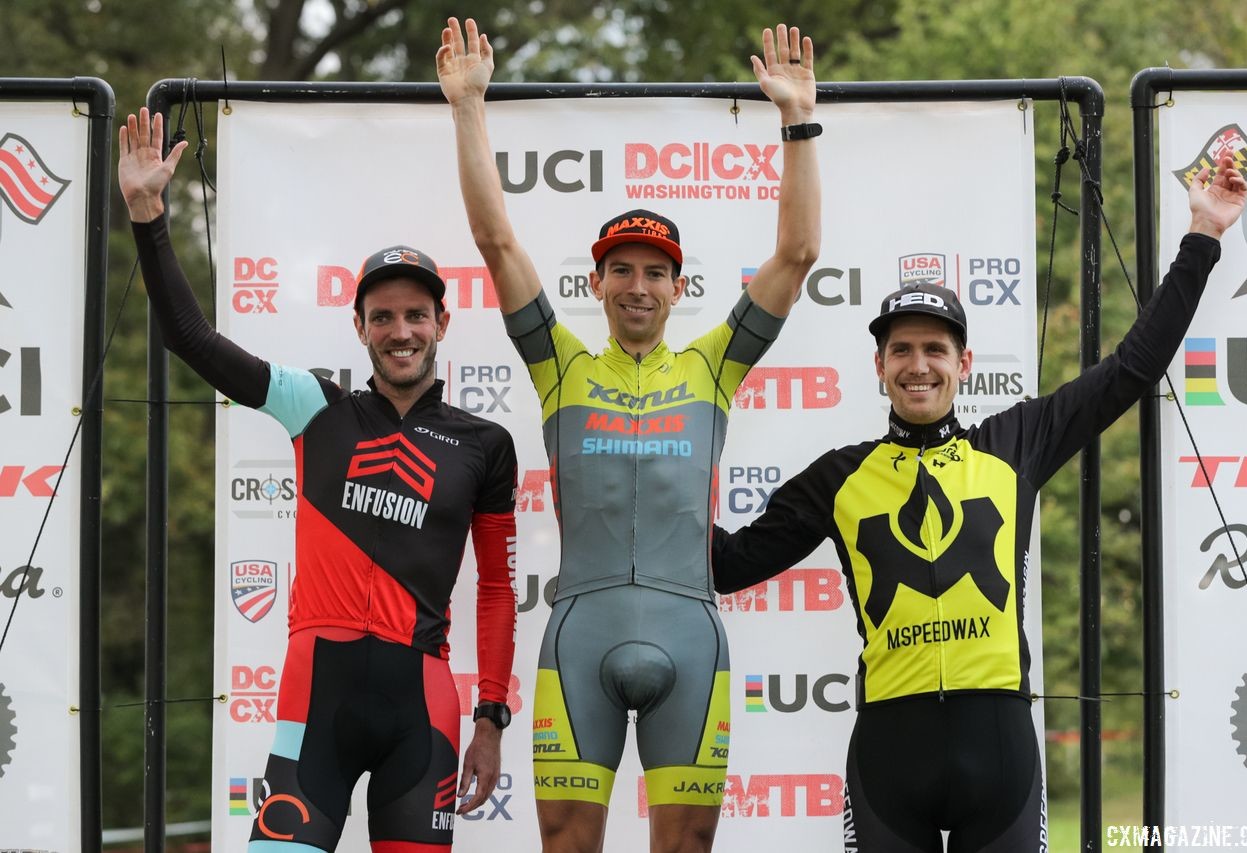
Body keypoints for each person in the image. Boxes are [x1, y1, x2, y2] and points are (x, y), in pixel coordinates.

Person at [709, 153, 1247, 852]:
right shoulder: (838, 478)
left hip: (999, 751)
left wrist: (1203, 236)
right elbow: (727, 563)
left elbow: (1131, 370)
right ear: (879, 366)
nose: (918, 364)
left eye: (936, 348)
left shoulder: (1014, 444)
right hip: (888, 755)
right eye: (901, 350)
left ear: (965, 363)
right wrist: (650, 466)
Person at [438, 16, 820, 852]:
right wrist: (468, 105)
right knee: (568, 845)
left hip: (691, 633)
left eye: (654, 272)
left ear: (679, 286)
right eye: (623, 270)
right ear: (597, 281)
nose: (637, 285)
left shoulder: (713, 367)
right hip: (583, 635)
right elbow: (494, 239)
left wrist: (796, 119)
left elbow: (795, 255)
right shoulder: (561, 368)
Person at [118, 107, 520, 853]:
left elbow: (496, 589)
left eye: (415, 315)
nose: (401, 331)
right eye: (383, 316)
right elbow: (192, 338)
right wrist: (148, 216)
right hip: (316, 703)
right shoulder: (316, 407)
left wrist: (491, 720)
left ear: (442, 319)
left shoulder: (485, 445)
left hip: (423, 712)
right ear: (360, 326)